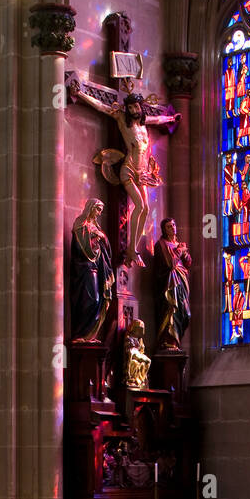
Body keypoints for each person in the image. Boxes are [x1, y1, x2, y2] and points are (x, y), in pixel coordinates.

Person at [69, 78, 180, 267]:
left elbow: (158, 118)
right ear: (126, 109)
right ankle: (131, 249)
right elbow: (102, 107)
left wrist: (170, 118)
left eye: (137, 107)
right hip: (128, 170)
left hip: (142, 172)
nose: (134, 110)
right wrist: (80, 94)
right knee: (139, 206)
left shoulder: (144, 124)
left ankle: (132, 249)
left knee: (144, 209)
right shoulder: (122, 120)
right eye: (131, 108)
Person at [69, 199, 115, 342]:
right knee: (91, 300)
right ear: (90, 208)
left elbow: (106, 247)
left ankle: (89, 335)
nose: (99, 213)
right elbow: (80, 248)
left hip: (96, 268)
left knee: (98, 300)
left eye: (101, 210)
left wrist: (101, 237)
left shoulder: (96, 227)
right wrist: (94, 237)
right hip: (84, 268)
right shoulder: (80, 223)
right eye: (98, 209)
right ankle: (81, 334)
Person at [155, 217, 192, 351]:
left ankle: (176, 341)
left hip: (181, 281)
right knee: (172, 310)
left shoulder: (178, 244)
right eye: (169, 226)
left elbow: (188, 264)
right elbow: (169, 264)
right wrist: (180, 251)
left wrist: (185, 253)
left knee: (185, 313)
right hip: (170, 284)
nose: (173, 228)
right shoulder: (161, 244)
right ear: (164, 230)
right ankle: (169, 341)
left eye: (174, 225)